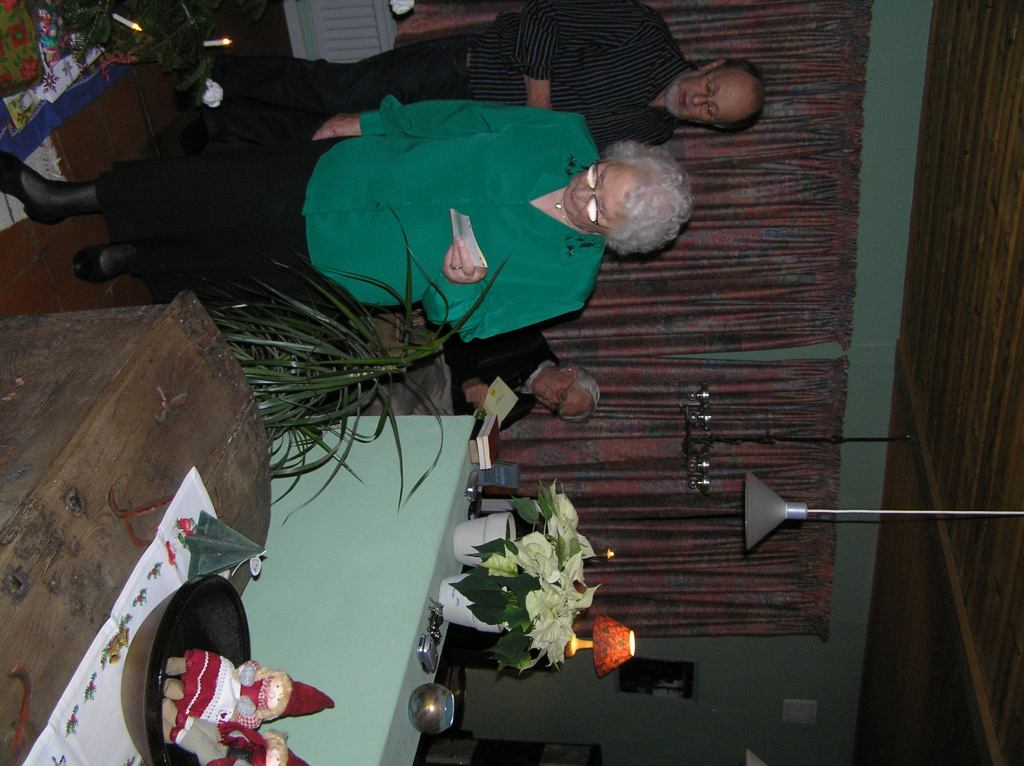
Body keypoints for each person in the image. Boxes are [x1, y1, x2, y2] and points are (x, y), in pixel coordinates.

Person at [0, 98, 692, 341]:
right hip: (359, 171)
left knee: (241, 262)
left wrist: (459, 287)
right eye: (596, 173)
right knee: (209, 187)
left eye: (596, 208)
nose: (580, 190)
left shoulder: (566, 286)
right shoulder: (562, 134)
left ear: (614, 239)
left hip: (361, 259)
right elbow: (456, 117)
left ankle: (135, 258)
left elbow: (469, 325)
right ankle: (67, 198)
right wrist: (368, 122)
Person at [188, 0, 764, 151]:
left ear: (712, 127)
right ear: (713, 65)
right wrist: (539, 105)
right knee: (337, 90)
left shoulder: (651, 136)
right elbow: (544, 14)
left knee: (342, 141)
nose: (702, 100)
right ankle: (216, 73)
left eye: (714, 111)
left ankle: (224, 122)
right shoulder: (644, 32)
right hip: (466, 72)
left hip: (468, 131)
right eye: (713, 89)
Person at [444, 327, 599, 428]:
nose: (550, 400)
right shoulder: (528, 340)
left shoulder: (522, 406)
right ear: (570, 371)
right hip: (437, 358)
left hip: (440, 418)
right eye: (561, 395)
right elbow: (460, 328)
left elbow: (470, 432)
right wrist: (468, 377)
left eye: (556, 407)